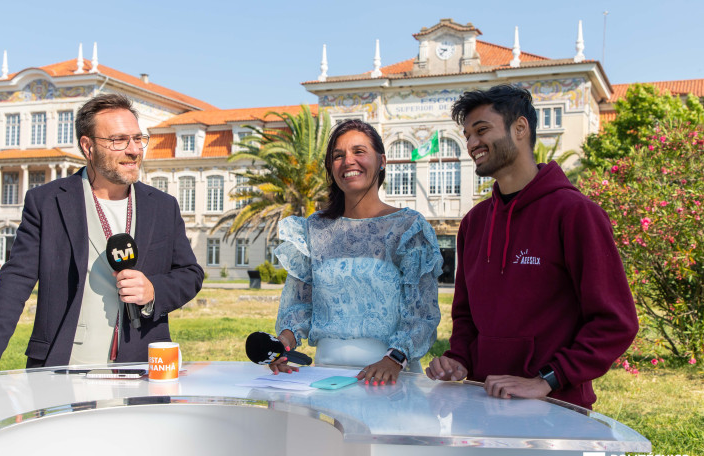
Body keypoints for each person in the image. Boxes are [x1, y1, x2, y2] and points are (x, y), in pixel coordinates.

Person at [0, 93, 203, 383]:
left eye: (138, 138)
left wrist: (153, 289)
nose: (134, 150)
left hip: (144, 368)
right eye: (119, 140)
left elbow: (190, 274)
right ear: (88, 146)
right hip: (63, 368)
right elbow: (15, 281)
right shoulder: (47, 202)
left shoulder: (162, 205)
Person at [425, 85, 638, 409]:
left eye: (481, 130)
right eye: (467, 135)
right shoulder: (474, 223)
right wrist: (459, 359)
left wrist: (547, 380)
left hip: (556, 410)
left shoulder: (576, 214)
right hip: (480, 405)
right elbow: (466, 317)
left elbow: (615, 322)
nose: (471, 144)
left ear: (520, 128)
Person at [270, 119, 443, 386]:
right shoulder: (313, 229)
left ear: (382, 161)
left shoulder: (409, 228)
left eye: (359, 151)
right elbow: (300, 305)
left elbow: (421, 312)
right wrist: (284, 342)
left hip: (390, 375)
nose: (348, 160)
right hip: (326, 376)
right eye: (338, 156)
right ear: (331, 168)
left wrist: (395, 358)